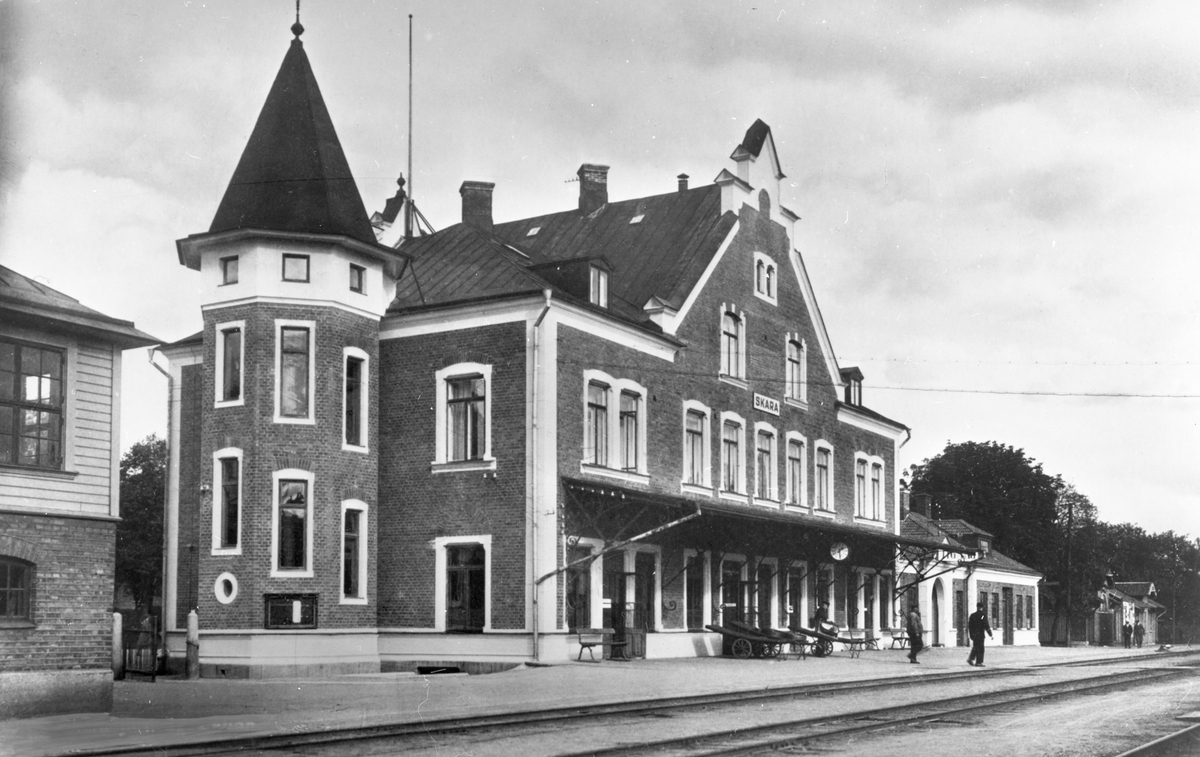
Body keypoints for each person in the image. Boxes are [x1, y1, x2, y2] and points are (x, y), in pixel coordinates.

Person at [966, 601, 993, 667]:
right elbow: (985, 624)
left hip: (974, 634)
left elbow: (970, 626)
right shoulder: (982, 615)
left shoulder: (972, 615)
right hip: (980, 634)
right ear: (982, 607)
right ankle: (979, 662)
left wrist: (971, 635)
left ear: (977, 607)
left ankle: (971, 659)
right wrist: (990, 634)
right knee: (980, 648)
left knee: (975, 647)